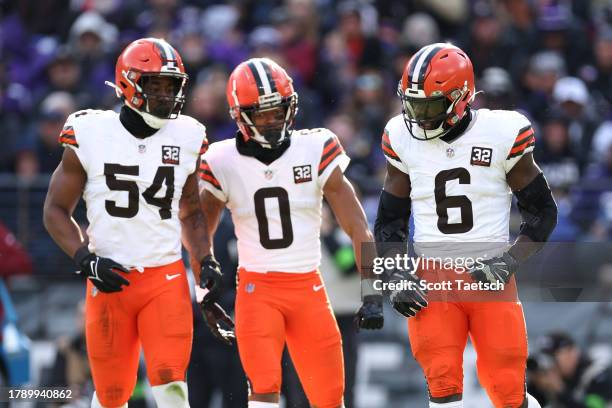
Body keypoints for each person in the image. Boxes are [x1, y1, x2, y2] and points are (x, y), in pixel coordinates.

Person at [43, 38, 234, 408]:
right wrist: (86, 259)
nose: (166, 95)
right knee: (111, 396)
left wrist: (204, 259)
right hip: (109, 279)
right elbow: (54, 209)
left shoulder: (188, 135)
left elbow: (191, 211)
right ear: (129, 83)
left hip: (165, 278)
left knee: (172, 387)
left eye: (171, 85)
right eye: (155, 85)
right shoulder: (90, 131)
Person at [376, 43, 558, 408]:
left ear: (461, 99)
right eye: (411, 104)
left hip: (488, 272)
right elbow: (390, 219)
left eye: (428, 107)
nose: (417, 116)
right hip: (433, 276)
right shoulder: (400, 136)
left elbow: (542, 214)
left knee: (506, 390)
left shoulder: (502, 132)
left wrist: (507, 262)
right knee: (442, 385)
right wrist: (395, 274)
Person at [198, 57, 382, 408]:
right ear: (241, 115)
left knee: (330, 397)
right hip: (256, 289)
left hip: (308, 288)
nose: (273, 120)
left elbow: (356, 224)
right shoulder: (221, 160)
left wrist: (371, 289)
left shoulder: (315, 147)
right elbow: (198, 231)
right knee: (264, 393)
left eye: (279, 109)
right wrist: (202, 290)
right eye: (263, 113)